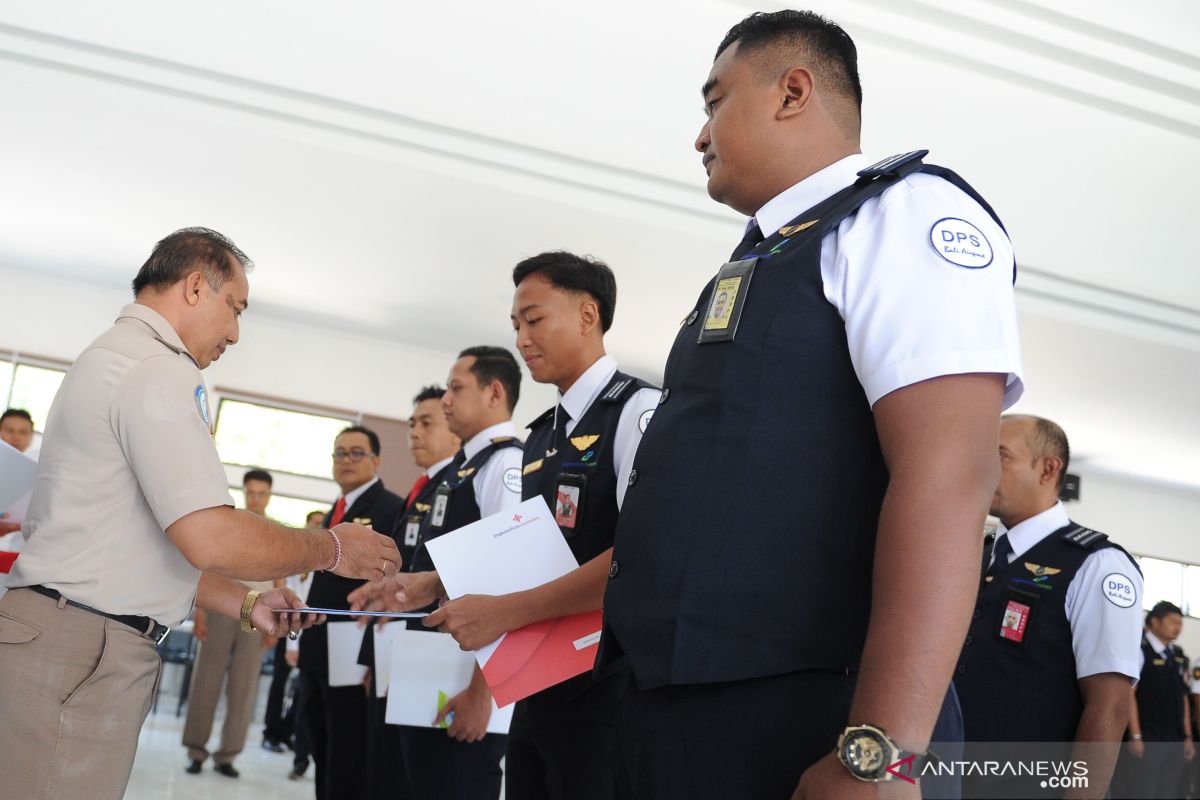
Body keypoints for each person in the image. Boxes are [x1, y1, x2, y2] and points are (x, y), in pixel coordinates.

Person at [596, 12, 1024, 799]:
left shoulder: (906, 215)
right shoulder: (766, 256)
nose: (700, 136)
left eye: (715, 101)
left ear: (793, 91)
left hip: (811, 714)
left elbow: (949, 479)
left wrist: (881, 758)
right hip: (683, 709)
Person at [0, 227, 399, 800]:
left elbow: (135, 547)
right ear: (194, 287)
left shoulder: (115, 355)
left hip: (64, 634)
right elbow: (208, 534)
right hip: (80, 645)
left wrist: (246, 601)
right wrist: (331, 548)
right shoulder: (157, 369)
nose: (235, 333)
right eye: (234, 309)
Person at [418, 251, 659, 799]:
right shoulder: (542, 436)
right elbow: (526, 552)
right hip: (539, 681)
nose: (522, 339)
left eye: (534, 319)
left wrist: (501, 614)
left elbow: (639, 556)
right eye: (516, 325)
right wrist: (432, 582)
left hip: (605, 689)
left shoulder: (636, 412)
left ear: (587, 314)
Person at [351, 346, 525, 800]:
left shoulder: (504, 465)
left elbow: (506, 582)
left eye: (456, 388)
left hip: (465, 680)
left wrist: (481, 693)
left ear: (494, 393)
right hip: (430, 671)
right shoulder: (461, 471)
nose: (446, 400)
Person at [954, 415, 1143, 797]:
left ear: (1048, 468)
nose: (985, 467)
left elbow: (1109, 706)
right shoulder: (980, 554)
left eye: (1001, 456)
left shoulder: (1097, 564)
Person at [356, 384, 462, 800]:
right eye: (412, 424)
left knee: (417, 776)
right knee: (386, 769)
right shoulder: (423, 492)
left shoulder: (462, 485)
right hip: (397, 654)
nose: (414, 432)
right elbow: (397, 581)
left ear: (454, 428)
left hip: (436, 660)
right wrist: (372, 660)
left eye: (427, 423)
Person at [299, 425, 406, 800]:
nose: (345, 460)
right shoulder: (336, 509)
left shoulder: (391, 507)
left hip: (354, 649)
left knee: (349, 753)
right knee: (320, 744)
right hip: (318, 646)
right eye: (339, 453)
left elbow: (393, 580)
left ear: (376, 460)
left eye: (356, 452)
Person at [183, 468, 281, 778]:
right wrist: (200, 614)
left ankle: (228, 756)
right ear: (245, 491)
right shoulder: (229, 523)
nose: (256, 498)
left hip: (260, 616)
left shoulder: (278, 531)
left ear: (269, 495)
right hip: (222, 612)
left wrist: (276, 624)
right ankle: (196, 750)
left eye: (262, 493)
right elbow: (207, 567)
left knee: (243, 688)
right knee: (206, 682)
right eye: (251, 492)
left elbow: (281, 577)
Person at [262, 507, 330, 753]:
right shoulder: (291, 556)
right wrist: (291, 643)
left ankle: (288, 731)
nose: (316, 529)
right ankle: (270, 732)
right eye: (312, 524)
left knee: (305, 688)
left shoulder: (327, 563)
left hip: (310, 629)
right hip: (286, 625)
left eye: (321, 525)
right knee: (279, 682)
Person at [1124, 602, 1195, 799]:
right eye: (1173, 622)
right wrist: (1135, 735)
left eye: (1180, 623)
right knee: (1143, 789)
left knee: (1168, 790)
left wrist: (1187, 737)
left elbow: (1183, 698)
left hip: (1175, 739)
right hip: (1149, 738)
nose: (1178, 627)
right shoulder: (1139, 650)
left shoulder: (1178, 655)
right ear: (1155, 621)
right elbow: (1129, 694)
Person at [0, 408, 36, 541]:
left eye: (23, 432)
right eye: (10, 431)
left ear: (30, 438)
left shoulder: (37, 473)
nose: (16, 437)